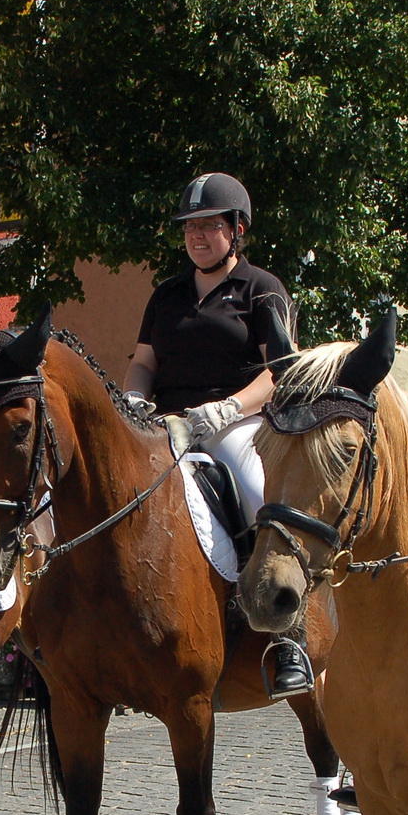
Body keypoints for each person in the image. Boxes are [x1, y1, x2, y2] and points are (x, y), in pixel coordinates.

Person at [120, 173, 312, 697]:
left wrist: (226, 409)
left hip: (237, 422)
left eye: (209, 226)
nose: (197, 236)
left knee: (259, 497)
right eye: (190, 228)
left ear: (237, 229)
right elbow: (143, 363)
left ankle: (290, 637)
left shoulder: (262, 288)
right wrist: (134, 401)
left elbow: (281, 372)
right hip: (167, 425)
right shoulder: (167, 294)